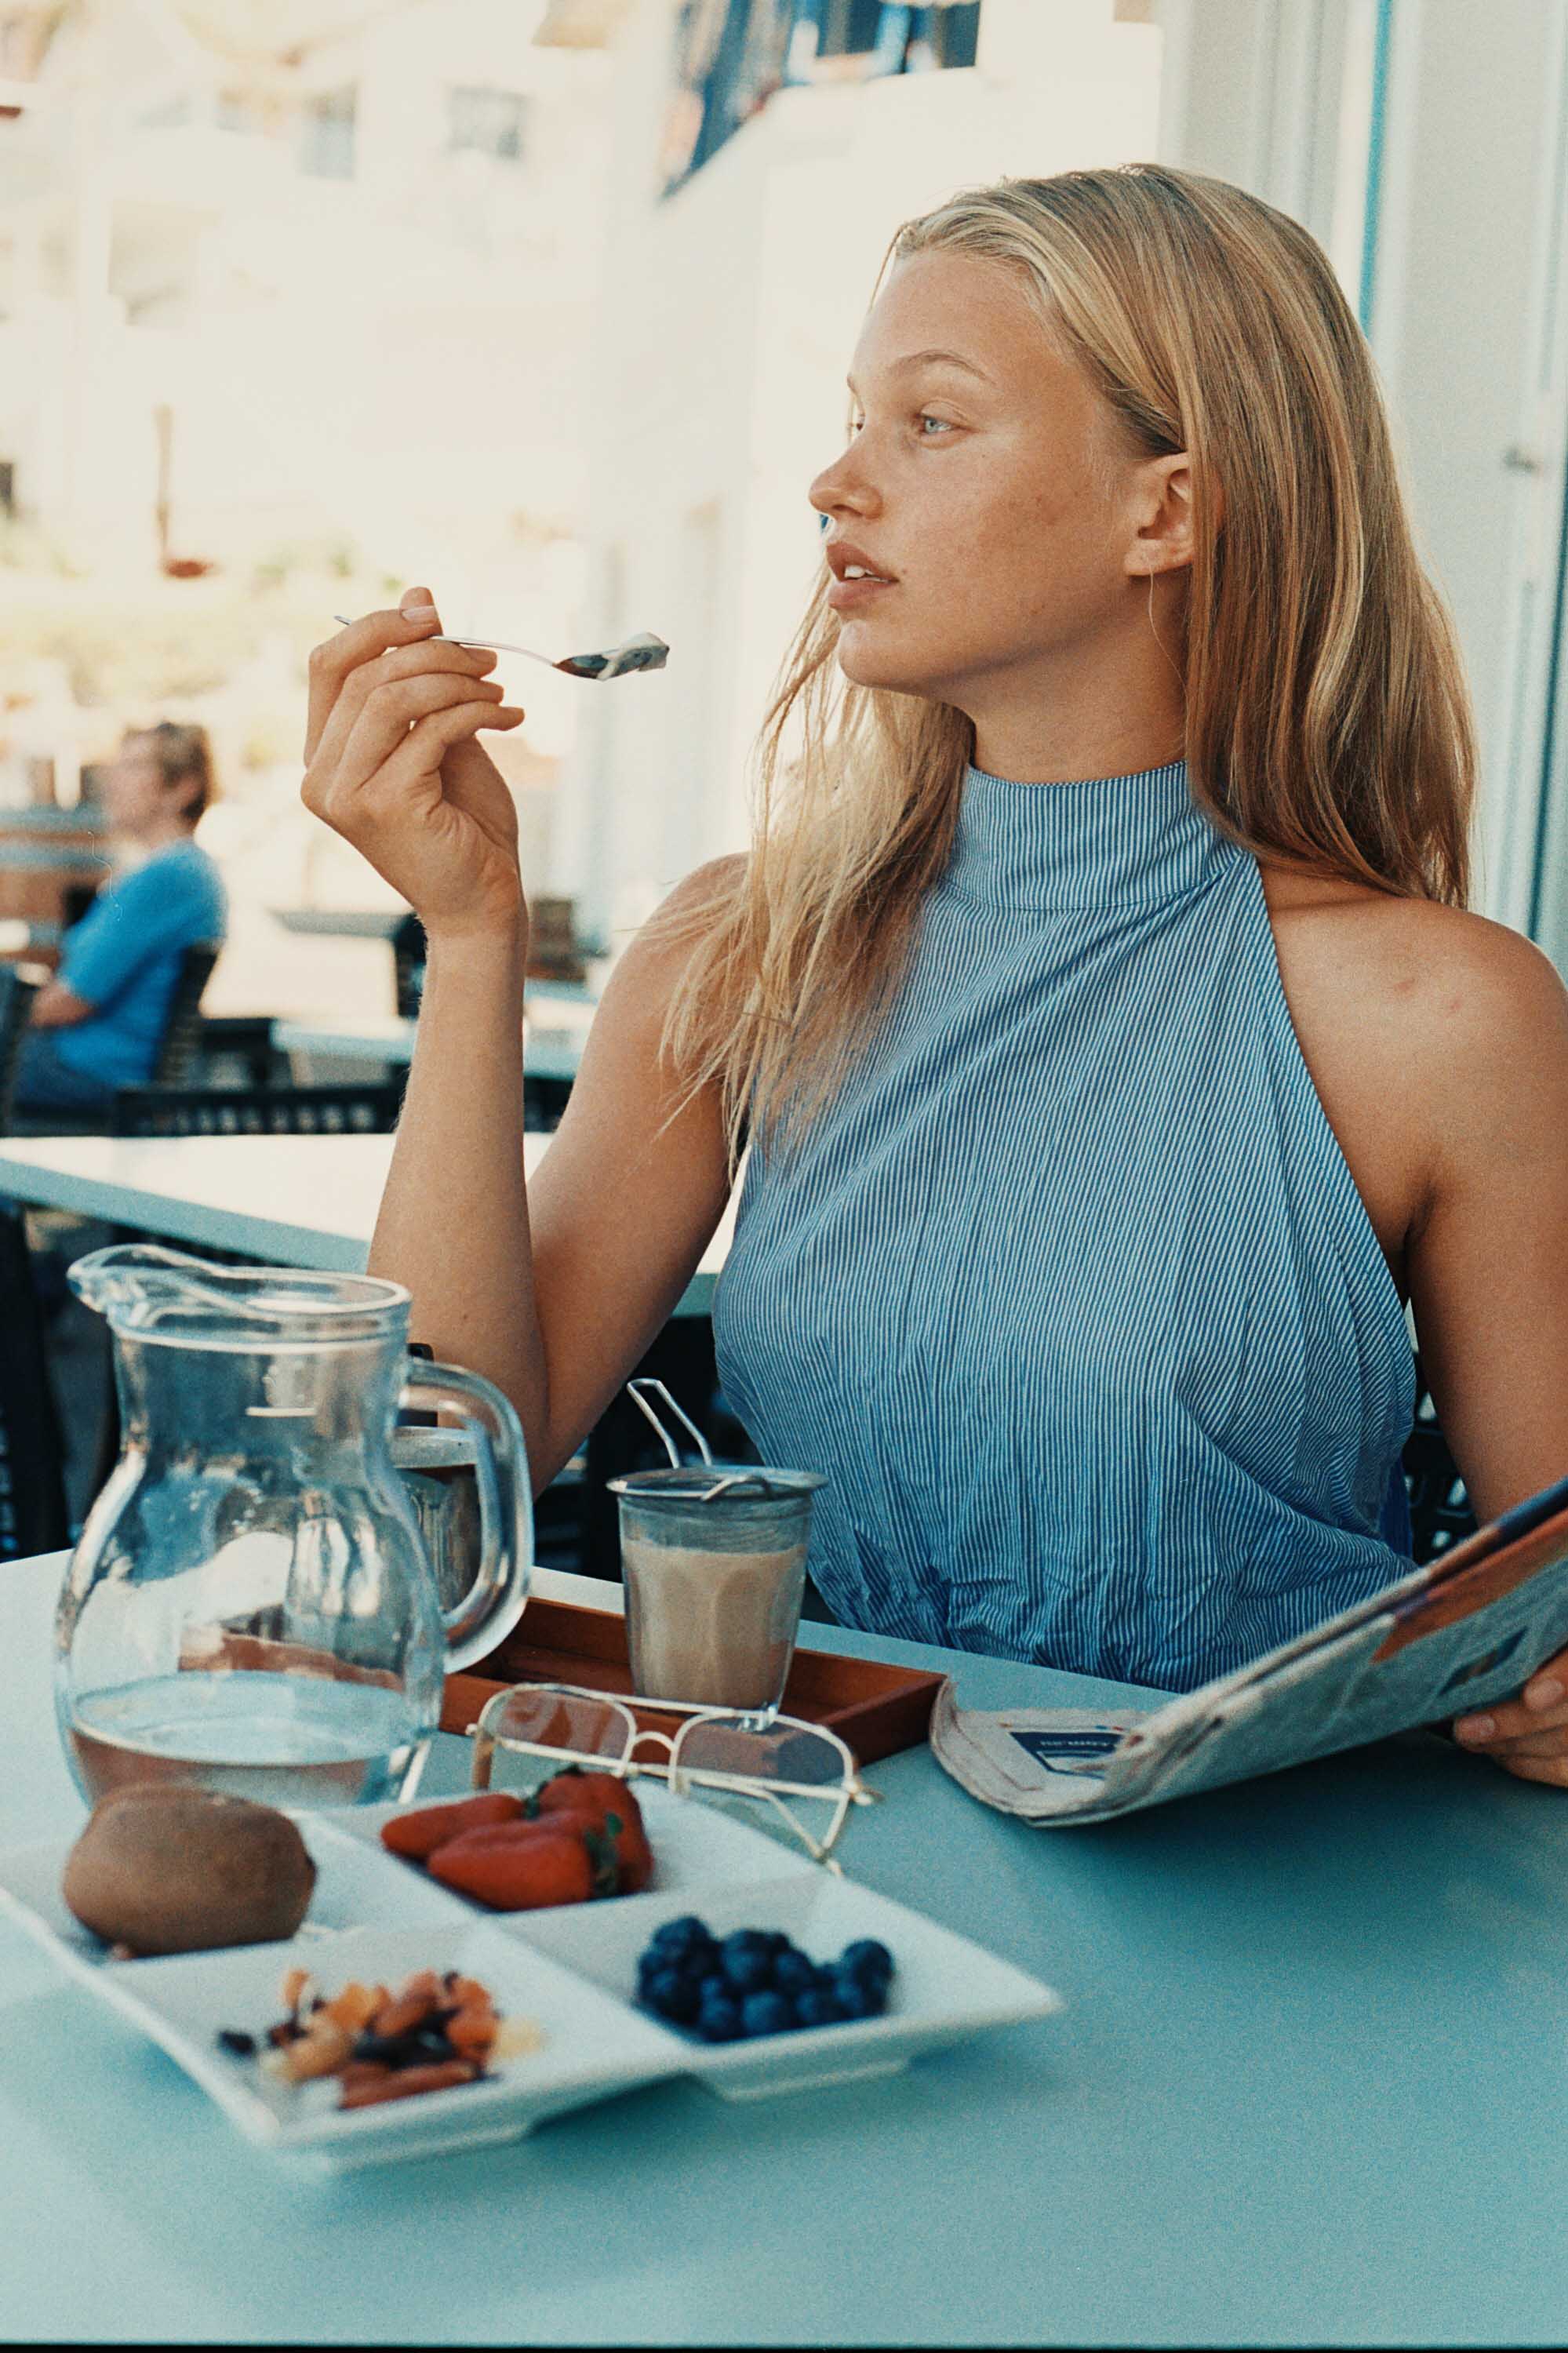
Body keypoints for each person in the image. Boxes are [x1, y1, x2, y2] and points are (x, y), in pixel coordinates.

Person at [300, 164, 1568, 1787]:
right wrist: (472, 937)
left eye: (931, 423)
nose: (834, 482)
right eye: (854, 421)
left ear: (1165, 511)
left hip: (1295, 1871)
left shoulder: (1443, 1017)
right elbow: (436, 1488)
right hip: (834, 1857)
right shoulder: (741, 952)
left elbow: (1542, 1611)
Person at [14, 722, 227, 1114]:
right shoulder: (183, 872)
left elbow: (69, 1003)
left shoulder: (169, 876)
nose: (112, 779)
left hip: (91, 1071)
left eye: (134, 765)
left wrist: (10, 1015)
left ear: (183, 788)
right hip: (91, 1066)